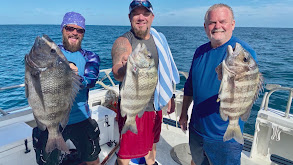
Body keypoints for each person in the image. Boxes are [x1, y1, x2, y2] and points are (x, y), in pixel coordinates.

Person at [179, 4, 258, 165]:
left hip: (225, 137)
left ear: (233, 24)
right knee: (195, 161)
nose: (217, 27)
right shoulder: (199, 51)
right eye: (212, 22)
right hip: (197, 130)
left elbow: (249, 89)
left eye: (222, 21)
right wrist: (183, 113)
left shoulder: (244, 54)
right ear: (205, 26)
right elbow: (190, 86)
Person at [111, 0, 179, 165]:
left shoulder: (159, 39)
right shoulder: (124, 40)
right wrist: (125, 68)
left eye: (145, 13)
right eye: (136, 13)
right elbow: (117, 71)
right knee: (126, 152)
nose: (141, 17)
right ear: (130, 17)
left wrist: (170, 96)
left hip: (155, 106)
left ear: (152, 17)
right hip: (132, 107)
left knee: (152, 145)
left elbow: (166, 70)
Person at [32, 12, 101, 165]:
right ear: (62, 29)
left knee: (93, 159)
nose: (74, 33)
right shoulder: (52, 53)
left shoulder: (91, 56)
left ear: (83, 33)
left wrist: (72, 76)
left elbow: (91, 80)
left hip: (80, 118)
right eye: (70, 28)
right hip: (51, 119)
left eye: (79, 30)